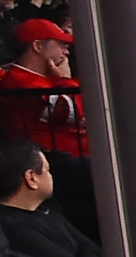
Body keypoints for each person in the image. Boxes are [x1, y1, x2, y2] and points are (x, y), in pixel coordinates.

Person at [0, 137, 105, 257]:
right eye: (47, 170)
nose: (51, 176)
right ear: (31, 179)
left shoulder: (45, 211)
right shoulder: (15, 230)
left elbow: (94, 249)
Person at [0, 15, 83, 157]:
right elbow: (73, 113)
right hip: (56, 162)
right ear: (37, 46)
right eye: (61, 45)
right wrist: (64, 79)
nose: (66, 52)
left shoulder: (46, 78)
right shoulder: (20, 81)